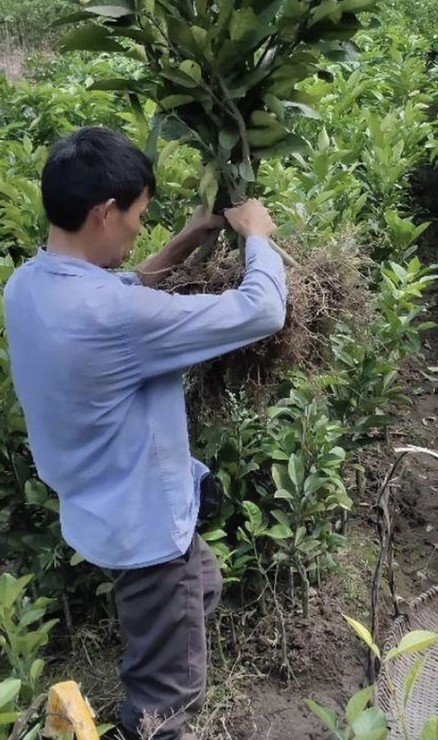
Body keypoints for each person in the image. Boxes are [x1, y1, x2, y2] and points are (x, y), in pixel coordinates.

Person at [3, 126, 287, 740]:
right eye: (137, 216)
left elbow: (122, 292)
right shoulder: (115, 319)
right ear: (104, 213)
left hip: (95, 509)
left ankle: (158, 647)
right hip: (146, 532)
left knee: (201, 582)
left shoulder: (26, 286)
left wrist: (187, 237)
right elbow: (262, 311)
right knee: (166, 705)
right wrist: (259, 239)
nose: (138, 230)